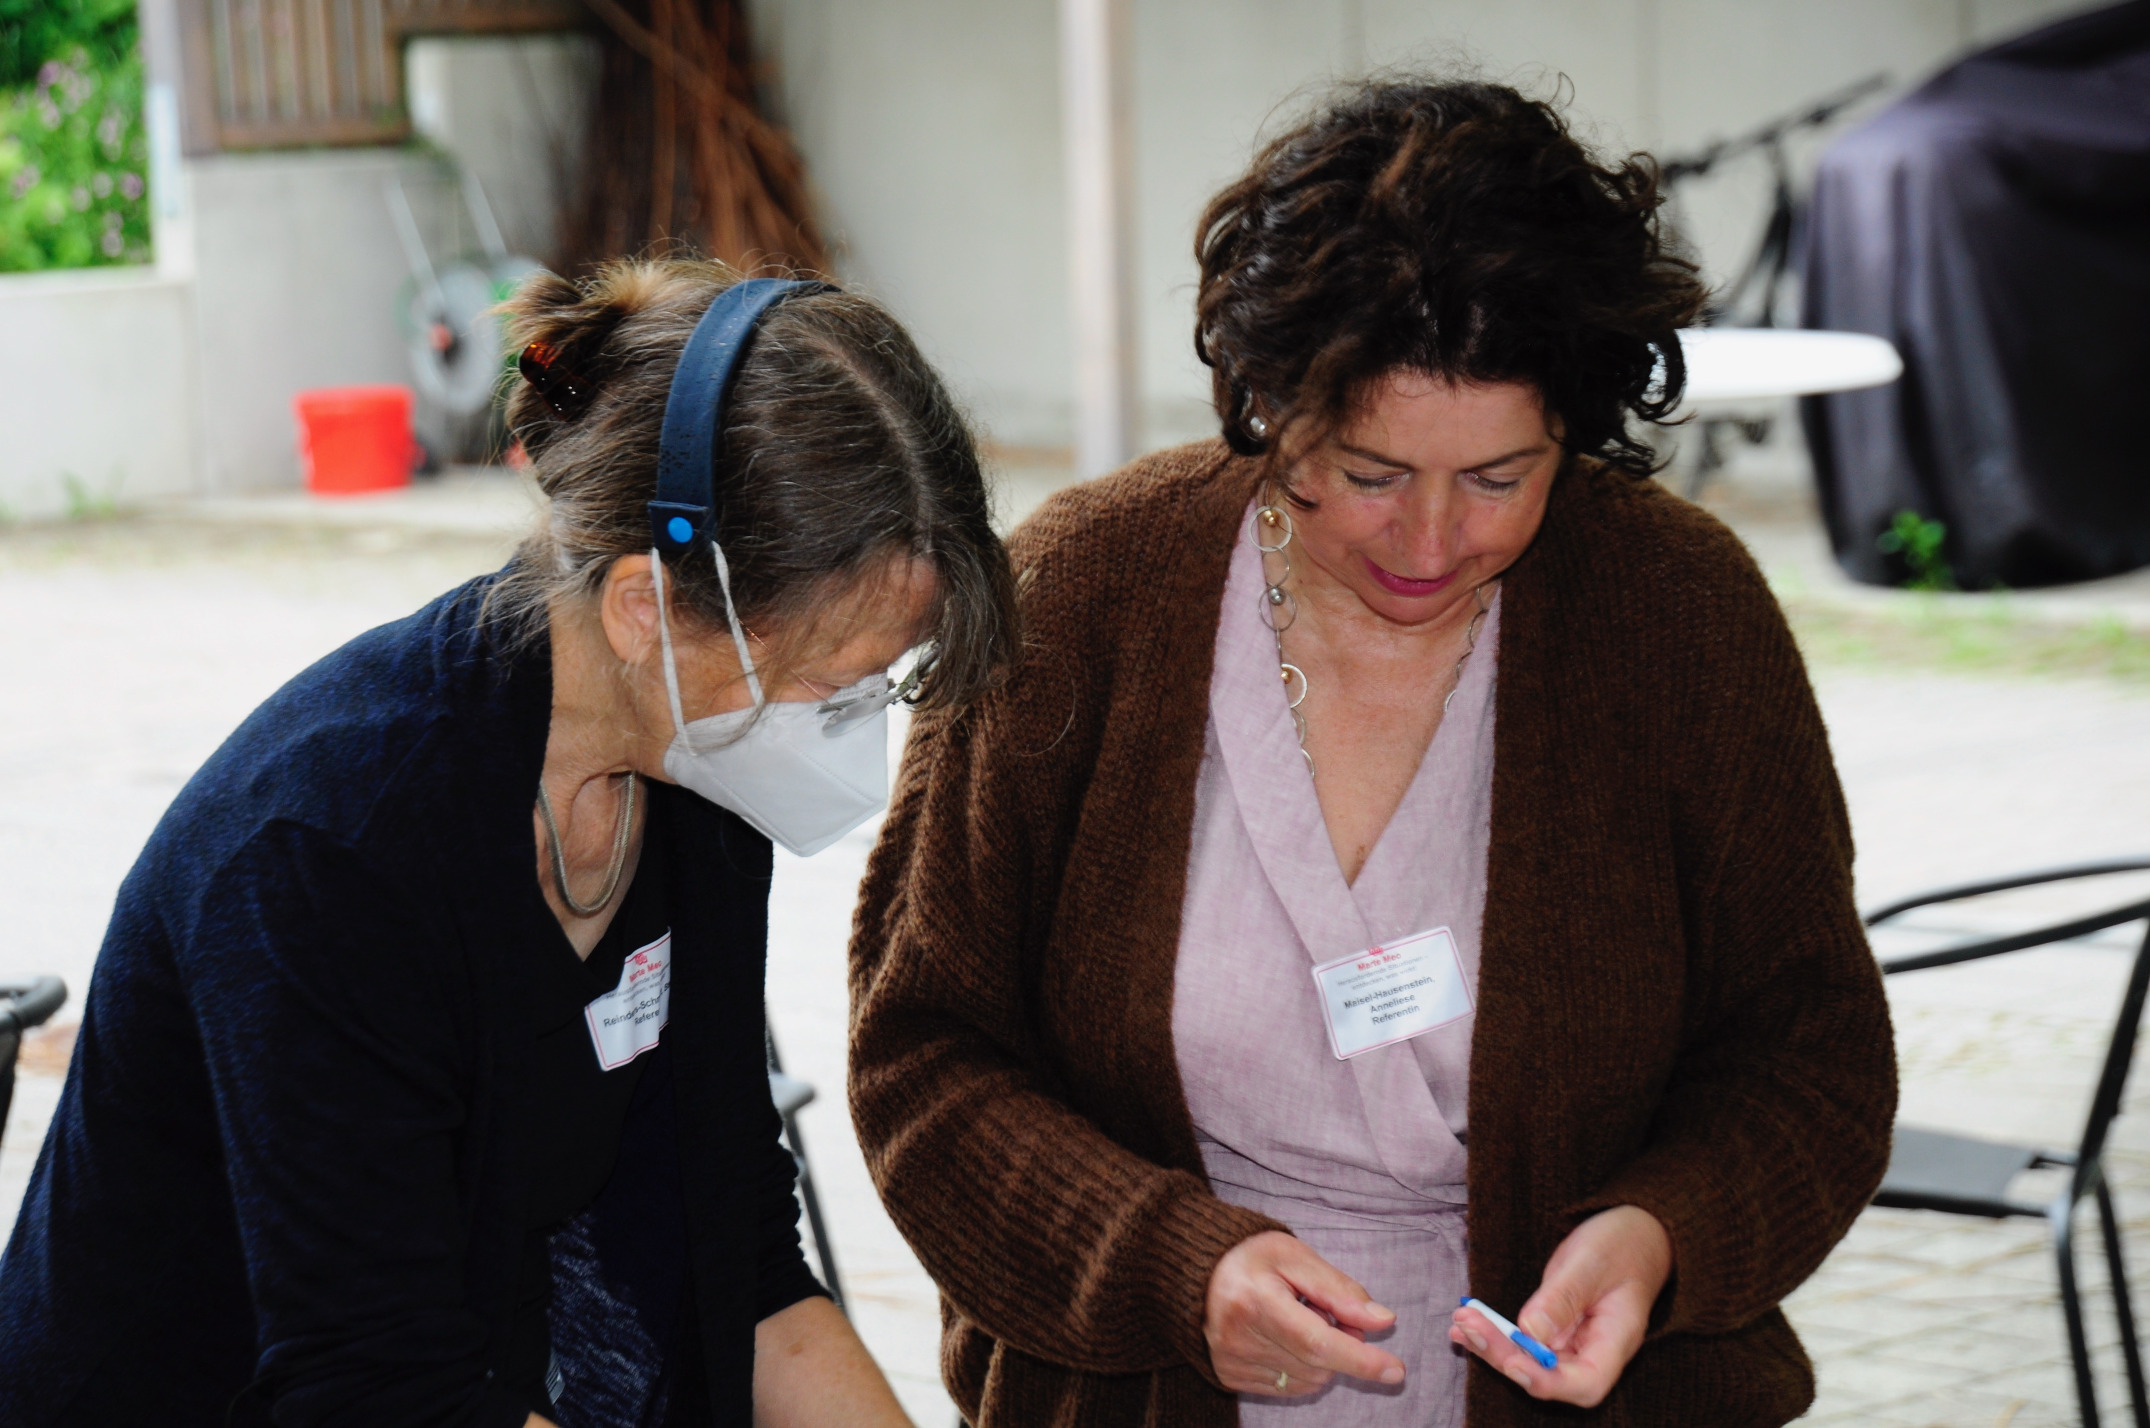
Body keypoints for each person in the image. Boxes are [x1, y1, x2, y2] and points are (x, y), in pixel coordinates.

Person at [849, 79, 1896, 1428]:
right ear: (1268, 398)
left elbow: (1810, 1054)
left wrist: (1659, 1232)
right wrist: (1165, 1263)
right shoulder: (1084, 596)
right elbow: (920, 1052)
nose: (1426, 545)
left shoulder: (1676, 615)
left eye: (1499, 479)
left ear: (1575, 430)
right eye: (1368, 472)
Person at [0, 261, 1018, 1427]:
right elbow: (381, 1390)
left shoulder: (694, 778)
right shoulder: (327, 854)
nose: (844, 729)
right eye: (830, 685)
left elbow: (738, 1254)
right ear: (645, 609)